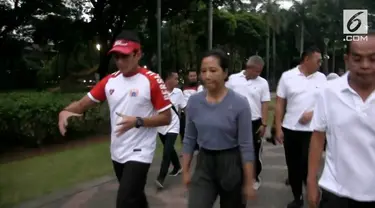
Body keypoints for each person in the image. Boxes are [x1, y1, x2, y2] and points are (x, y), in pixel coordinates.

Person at [57, 30, 172, 208]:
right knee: (135, 197)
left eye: (125, 56)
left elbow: (166, 117)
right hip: (117, 151)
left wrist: (138, 121)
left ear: (138, 54)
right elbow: (81, 105)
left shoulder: (152, 80)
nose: (119, 61)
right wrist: (65, 112)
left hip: (140, 152)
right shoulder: (109, 81)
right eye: (116, 56)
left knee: (125, 200)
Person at [307, 33, 375, 208]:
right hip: (336, 191)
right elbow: (318, 137)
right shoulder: (329, 92)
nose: (365, 65)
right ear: (347, 59)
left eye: (373, 59)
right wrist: (312, 181)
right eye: (358, 59)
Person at [182, 49, 256, 208]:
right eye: (203, 71)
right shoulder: (194, 102)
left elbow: (246, 145)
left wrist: (249, 182)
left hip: (231, 163)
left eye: (213, 70)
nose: (207, 76)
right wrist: (186, 171)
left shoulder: (239, 103)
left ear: (225, 73)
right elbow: (189, 138)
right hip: (204, 162)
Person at [275, 46, 327, 208]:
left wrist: (312, 114)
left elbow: (327, 104)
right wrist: (278, 127)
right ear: (306, 59)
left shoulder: (322, 79)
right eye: (318, 60)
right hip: (291, 129)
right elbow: (279, 103)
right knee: (293, 167)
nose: (320, 64)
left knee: (307, 165)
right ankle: (297, 198)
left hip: (314, 131)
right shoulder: (287, 77)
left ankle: (313, 194)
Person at [226, 55, 271, 190]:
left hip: (254, 122)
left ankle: (254, 177)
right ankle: (237, 177)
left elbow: (265, 103)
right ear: (248, 67)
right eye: (256, 71)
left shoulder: (263, 83)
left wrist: (264, 123)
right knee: (234, 150)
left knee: (254, 151)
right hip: (235, 121)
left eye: (260, 71)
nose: (258, 74)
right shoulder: (233, 80)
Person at [155, 71, 186, 188]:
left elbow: (184, 107)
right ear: (168, 79)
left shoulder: (178, 92)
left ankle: (161, 178)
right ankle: (177, 166)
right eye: (176, 79)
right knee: (170, 149)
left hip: (174, 126)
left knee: (166, 152)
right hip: (161, 126)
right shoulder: (158, 91)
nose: (178, 81)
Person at [180, 70, 199, 144]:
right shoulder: (183, 88)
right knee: (183, 131)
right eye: (191, 76)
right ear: (188, 77)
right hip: (185, 114)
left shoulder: (200, 87)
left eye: (194, 76)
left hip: (197, 114)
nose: (193, 78)